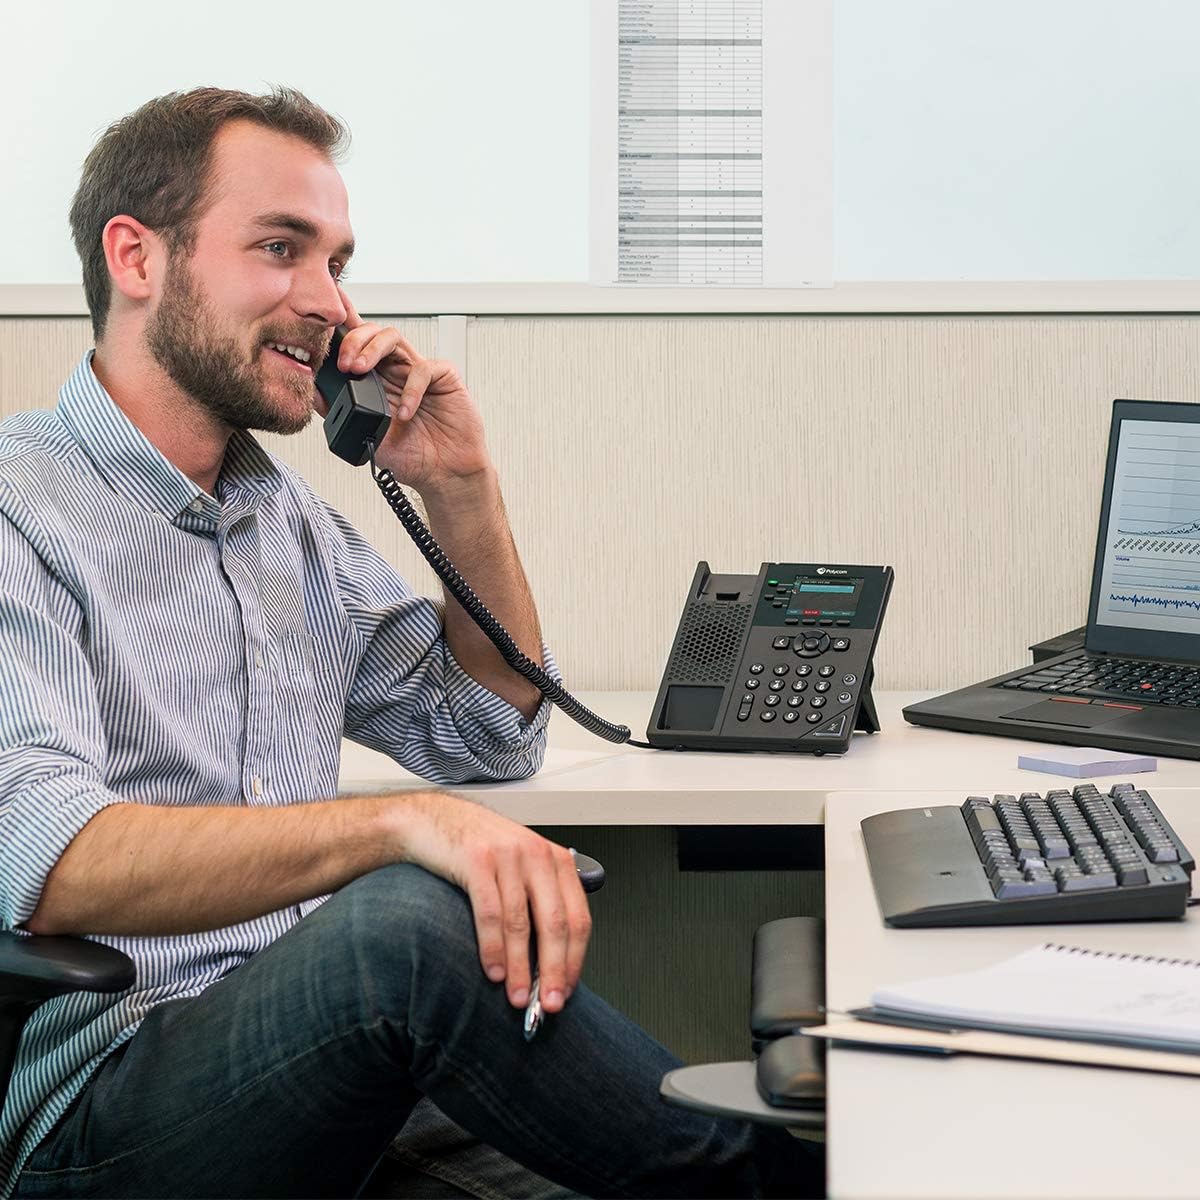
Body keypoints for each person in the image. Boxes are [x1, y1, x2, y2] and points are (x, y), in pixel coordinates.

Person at [0, 87, 821, 1198]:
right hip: (112, 1104)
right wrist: (399, 825)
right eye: (280, 249)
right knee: (404, 924)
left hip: (341, 1070)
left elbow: (488, 733)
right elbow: (48, 863)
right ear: (136, 258)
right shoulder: (19, 507)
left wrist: (461, 490)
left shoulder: (287, 524)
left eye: (337, 262)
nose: (329, 304)